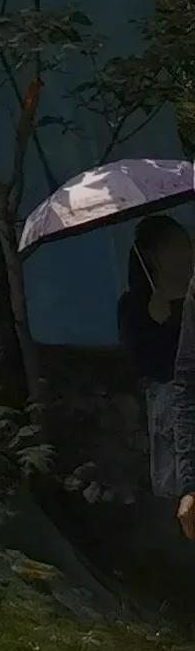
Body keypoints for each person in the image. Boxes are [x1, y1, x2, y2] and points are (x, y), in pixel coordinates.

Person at [115, 213, 195, 540]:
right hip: (170, 404)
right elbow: (147, 363)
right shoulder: (135, 305)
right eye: (176, 245)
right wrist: (157, 321)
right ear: (153, 256)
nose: (186, 250)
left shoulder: (191, 295)